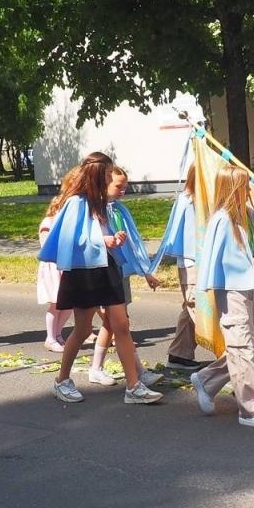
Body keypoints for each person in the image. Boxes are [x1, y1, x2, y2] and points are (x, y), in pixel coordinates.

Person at [39, 151, 162, 405]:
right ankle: (62, 380)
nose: (109, 178)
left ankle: (134, 386)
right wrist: (102, 240)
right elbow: (70, 240)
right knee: (83, 329)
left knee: (121, 325)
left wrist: (113, 240)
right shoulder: (75, 202)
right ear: (96, 175)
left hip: (108, 269)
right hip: (84, 273)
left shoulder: (101, 203)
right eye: (107, 174)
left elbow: (99, 233)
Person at [190, 162, 254, 429]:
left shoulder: (247, 214)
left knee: (248, 346)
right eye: (244, 184)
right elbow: (222, 259)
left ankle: (207, 379)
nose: (249, 188)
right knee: (242, 347)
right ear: (232, 188)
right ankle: (251, 410)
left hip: (251, 286)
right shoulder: (221, 219)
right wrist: (253, 263)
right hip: (231, 291)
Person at [86, 166, 163, 387]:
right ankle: (136, 372)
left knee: (114, 324)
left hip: (118, 272)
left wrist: (146, 271)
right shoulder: (94, 211)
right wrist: (106, 240)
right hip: (102, 273)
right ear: (104, 185)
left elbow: (134, 243)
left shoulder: (119, 211)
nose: (123, 191)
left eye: (125, 187)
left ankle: (99, 369)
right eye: (118, 186)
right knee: (120, 324)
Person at [152, 164, 205, 372]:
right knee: (196, 307)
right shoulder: (187, 201)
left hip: (201, 261)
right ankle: (226, 358)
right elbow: (175, 236)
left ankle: (179, 354)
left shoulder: (204, 200)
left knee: (192, 307)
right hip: (192, 262)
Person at [36, 169, 79, 351]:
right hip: (53, 267)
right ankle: (50, 337)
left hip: (66, 266)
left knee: (68, 304)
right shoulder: (48, 224)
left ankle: (59, 333)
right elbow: (47, 247)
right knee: (56, 303)